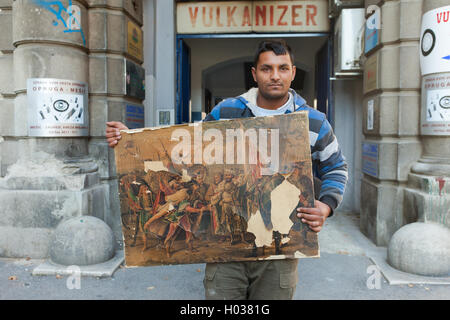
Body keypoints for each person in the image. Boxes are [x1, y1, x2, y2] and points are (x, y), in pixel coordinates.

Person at [105, 39, 348, 300]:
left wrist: (326, 206)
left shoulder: (314, 121)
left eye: (283, 68)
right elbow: (187, 147)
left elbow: (336, 167)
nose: (275, 76)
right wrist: (131, 140)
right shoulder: (227, 111)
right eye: (266, 69)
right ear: (254, 74)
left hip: (281, 249)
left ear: (293, 72)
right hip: (226, 250)